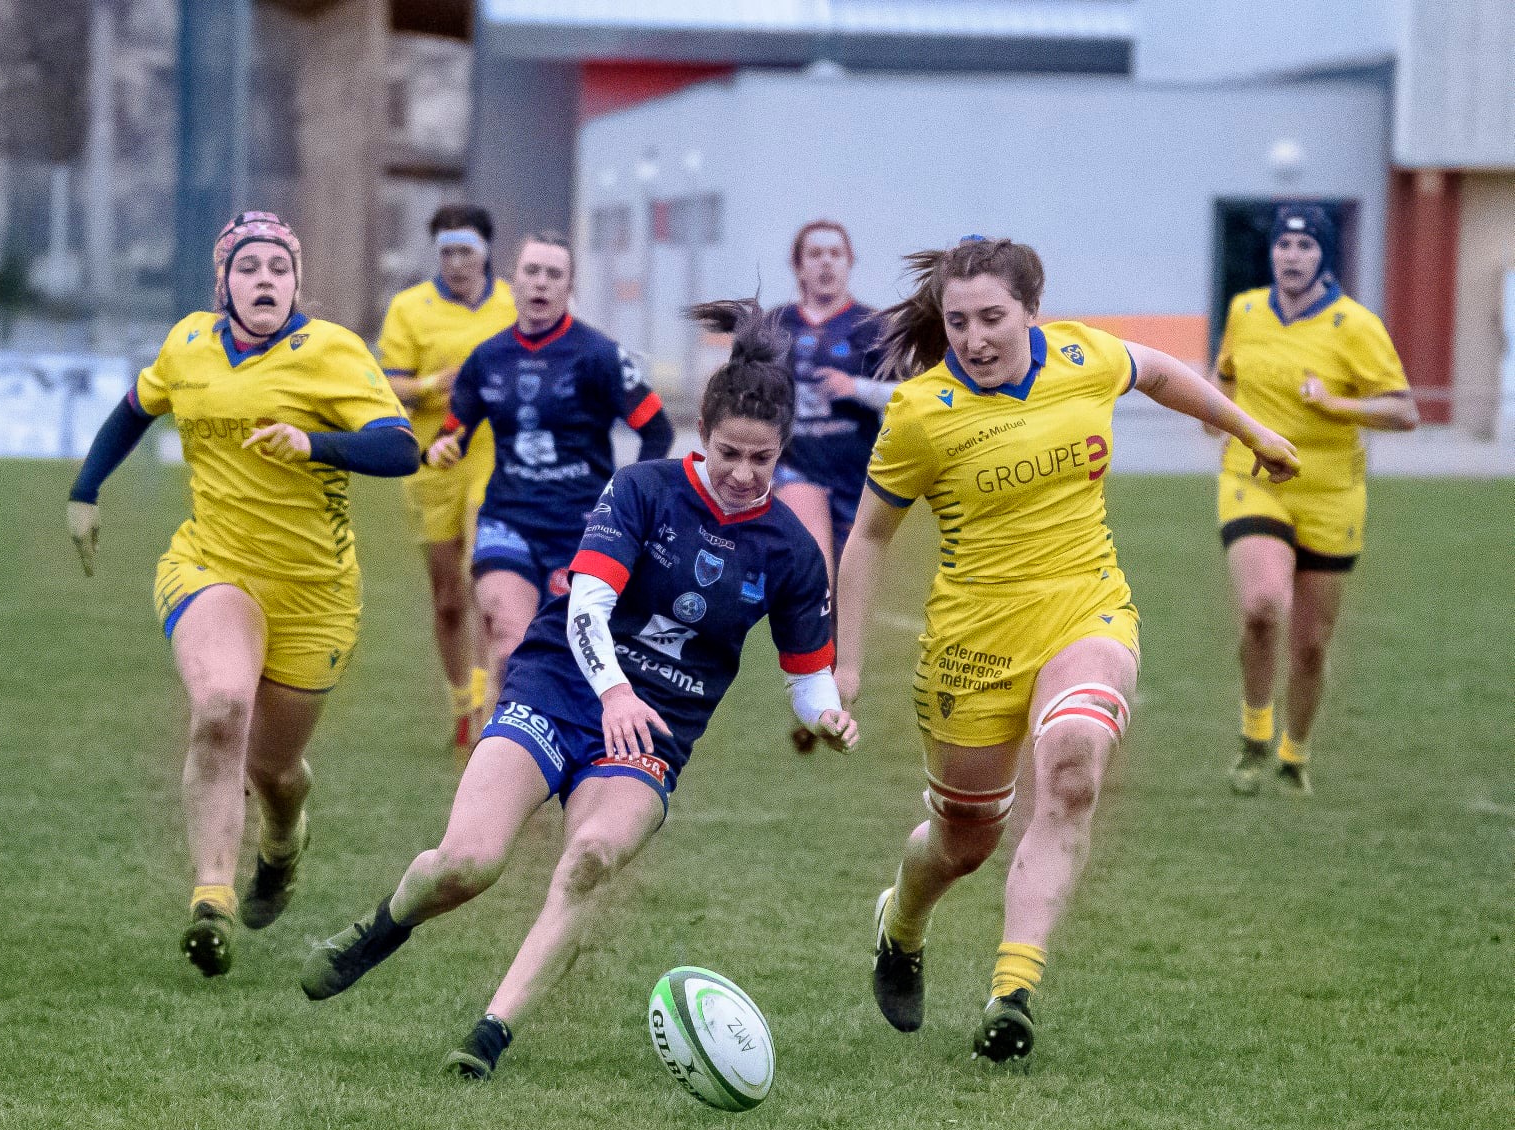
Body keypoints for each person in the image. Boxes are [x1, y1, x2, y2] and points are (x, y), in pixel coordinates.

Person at [299, 299, 855, 1081]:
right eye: (730, 452)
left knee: (591, 855)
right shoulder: (643, 491)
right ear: (704, 433)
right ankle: (386, 925)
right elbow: (588, 608)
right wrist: (618, 692)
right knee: (468, 862)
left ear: (782, 451)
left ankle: (489, 1036)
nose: (742, 473)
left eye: (762, 460)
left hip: (657, 732)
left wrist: (825, 713)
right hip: (560, 685)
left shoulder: (791, 548)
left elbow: (808, 673)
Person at [837, 236, 1298, 1062]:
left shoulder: (1084, 354)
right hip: (971, 646)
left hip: (1086, 609)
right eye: (958, 322)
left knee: (1076, 762)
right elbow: (869, 538)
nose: (974, 339)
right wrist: (848, 663)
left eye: (992, 318)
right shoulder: (921, 413)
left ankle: (1012, 992)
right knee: (962, 843)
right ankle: (901, 921)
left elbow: (1158, 373)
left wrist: (1251, 432)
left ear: (1032, 310)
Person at [66, 211, 418, 978]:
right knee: (222, 703)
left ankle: (283, 844)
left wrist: (314, 442)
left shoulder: (330, 352)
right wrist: (85, 490)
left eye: (280, 268)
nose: (266, 279)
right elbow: (135, 409)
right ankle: (212, 900)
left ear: (298, 284)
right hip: (211, 566)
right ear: (222, 281)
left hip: (315, 595)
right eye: (250, 266)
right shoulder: (188, 343)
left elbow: (400, 448)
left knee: (275, 770)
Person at [1211, 205, 1417, 796]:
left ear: (1324, 256)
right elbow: (1224, 375)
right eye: (1284, 246)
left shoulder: (1356, 325)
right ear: (1272, 253)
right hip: (1254, 479)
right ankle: (1255, 737)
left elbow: (1405, 410)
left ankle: (1294, 754)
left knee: (1309, 643)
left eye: (1306, 247)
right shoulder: (1245, 311)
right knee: (1261, 605)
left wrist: (1337, 404)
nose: (1293, 257)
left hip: (1331, 496)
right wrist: (1223, 419)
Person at [424, 232, 674, 707]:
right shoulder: (488, 357)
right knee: (509, 642)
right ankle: (491, 761)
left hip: (581, 529)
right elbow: (451, 431)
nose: (541, 283)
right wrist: (441, 449)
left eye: (553, 274)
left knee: (571, 659)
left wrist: (632, 502)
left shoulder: (599, 355)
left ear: (569, 286)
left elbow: (657, 430)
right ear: (513, 281)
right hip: (508, 520)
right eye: (531, 272)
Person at [377, 203, 518, 747]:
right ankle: (462, 702)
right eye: (447, 252)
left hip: (494, 451)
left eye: (466, 251)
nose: (456, 262)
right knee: (448, 596)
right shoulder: (410, 309)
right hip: (434, 456)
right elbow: (391, 386)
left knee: (483, 576)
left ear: (487, 252)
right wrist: (440, 381)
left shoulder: (512, 304)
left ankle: (488, 703)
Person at [766, 219, 894, 753]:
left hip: (859, 477)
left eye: (835, 253)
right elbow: (740, 393)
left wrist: (856, 387)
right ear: (798, 265)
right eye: (814, 253)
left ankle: (831, 695)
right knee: (815, 573)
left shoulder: (873, 328)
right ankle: (811, 690)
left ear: (850, 262)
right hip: (797, 471)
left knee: (844, 592)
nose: (825, 263)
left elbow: (911, 397)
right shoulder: (772, 328)